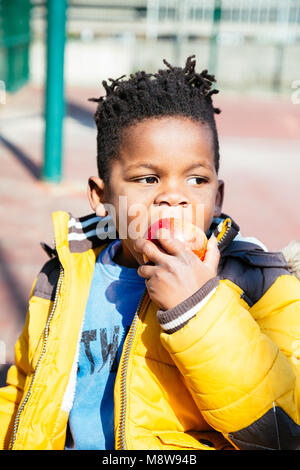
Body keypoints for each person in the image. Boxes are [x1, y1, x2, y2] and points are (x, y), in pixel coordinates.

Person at [1, 56, 300, 451]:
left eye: (196, 179)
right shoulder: (64, 276)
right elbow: (24, 389)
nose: (173, 197)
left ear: (218, 196)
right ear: (102, 197)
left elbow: (284, 429)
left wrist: (199, 309)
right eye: (147, 179)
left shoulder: (258, 282)